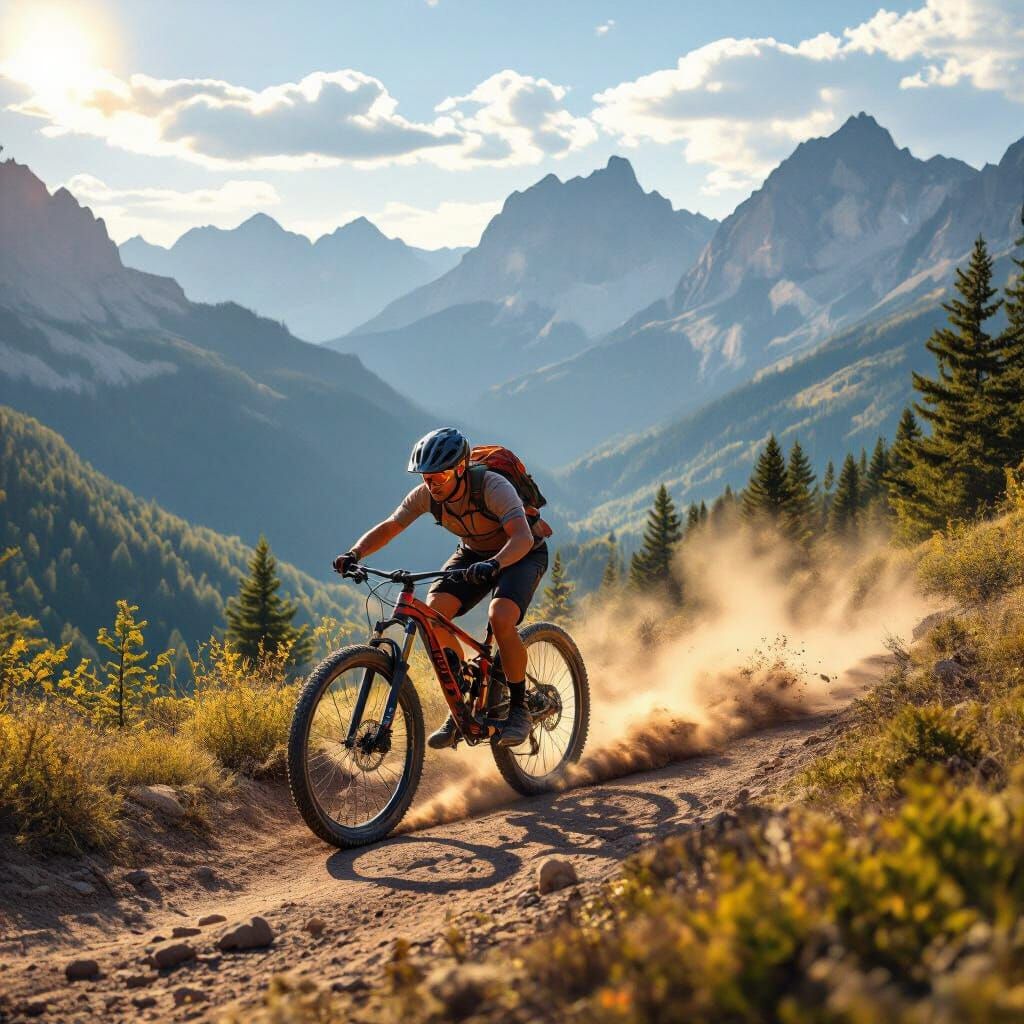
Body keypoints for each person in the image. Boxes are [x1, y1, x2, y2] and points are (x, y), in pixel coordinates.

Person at [334, 427, 548, 749]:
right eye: (425, 477)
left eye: (439, 476)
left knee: (501, 616)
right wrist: (354, 553)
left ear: (460, 469)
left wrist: (496, 564)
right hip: (474, 553)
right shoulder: (426, 496)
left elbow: (522, 537)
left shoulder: (492, 486)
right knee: (434, 614)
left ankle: (519, 709)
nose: (431, 484)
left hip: (521, 553)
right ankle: (461, 702)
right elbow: (392, 525)